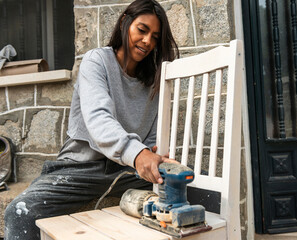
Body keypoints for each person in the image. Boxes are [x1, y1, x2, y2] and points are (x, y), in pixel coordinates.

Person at [4, 0, 179, 239]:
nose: (148, 41)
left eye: (155, 37)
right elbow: (98, 119)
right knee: (19, 212)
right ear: (124, 22)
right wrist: (138, 154)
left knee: (194, 195)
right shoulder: (96, 61)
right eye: (142, 30)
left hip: (127, 174)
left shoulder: (154, 81)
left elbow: (151, 137)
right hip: (81, 169)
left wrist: (152, 155)